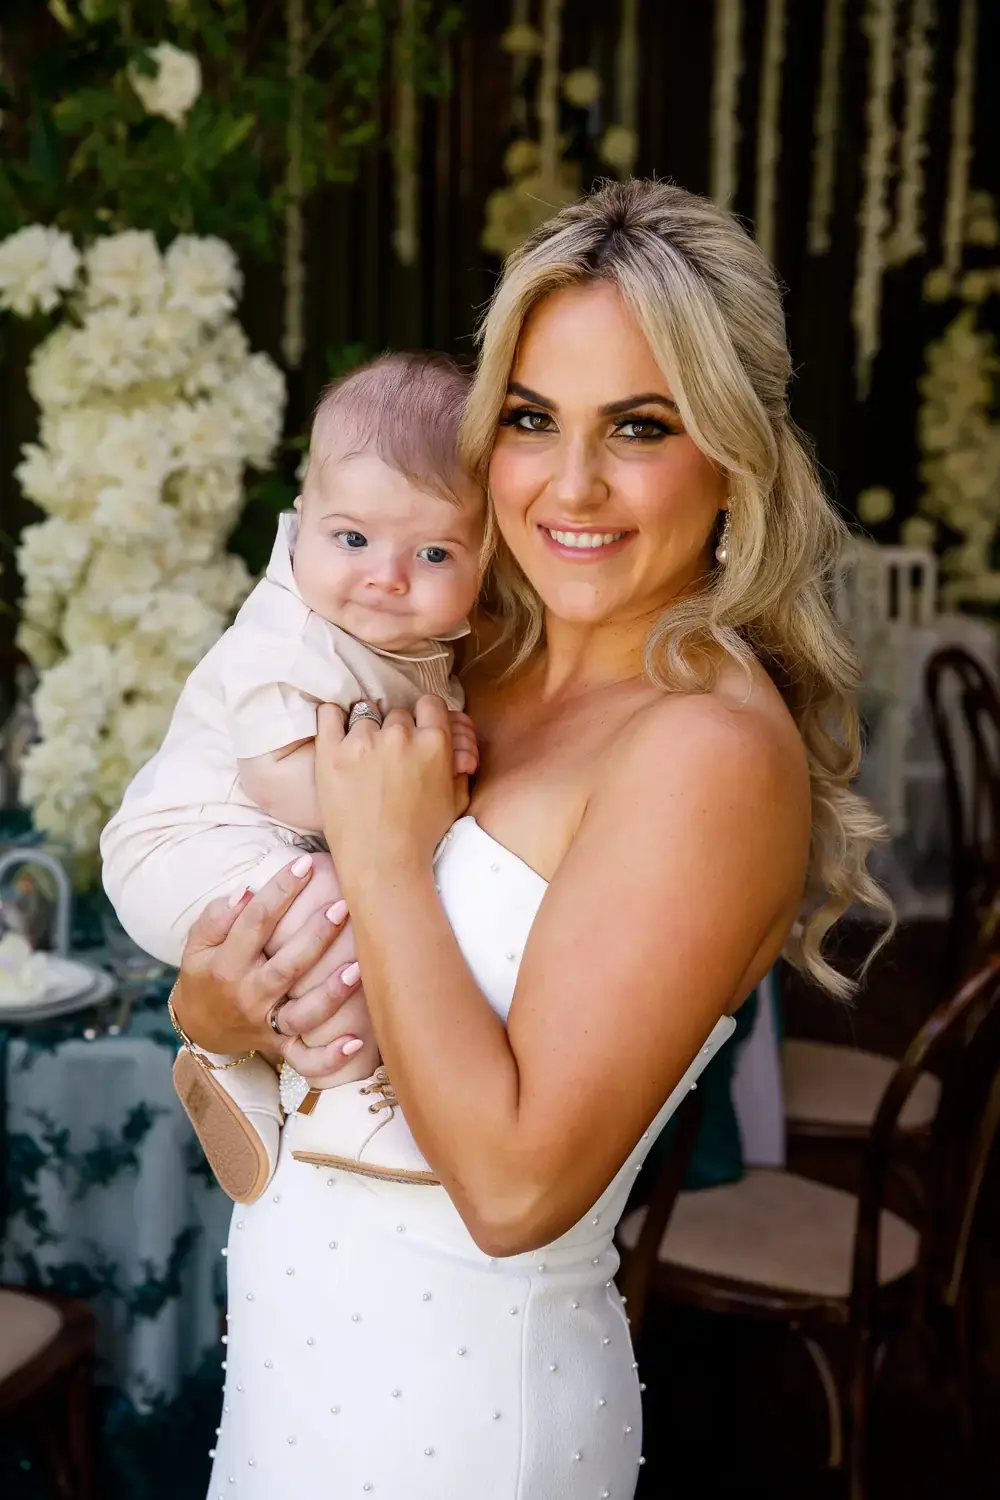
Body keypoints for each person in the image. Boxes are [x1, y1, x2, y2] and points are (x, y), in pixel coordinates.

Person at [169, 179, 890, 1499]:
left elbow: (511, 1193)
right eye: (530, 418)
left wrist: (384, 858)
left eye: (639, 427)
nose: (571, 483)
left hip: (465, 1422)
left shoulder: (706, 751)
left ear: (732, 453)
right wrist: (217, 1010)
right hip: (295, 1375)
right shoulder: (462, 655)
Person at [101, 352, 484, 1203]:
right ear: (302, 518)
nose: (385, 576)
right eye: (352, 539)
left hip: (251, 855)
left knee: (336, 903)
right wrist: (419, 796)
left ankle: (237, 1066)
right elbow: (282, 782)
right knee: (337, 904)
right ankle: (344, 1096)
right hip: (185, 846)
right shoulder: (288, 635)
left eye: (433, 552)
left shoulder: (404, 639)